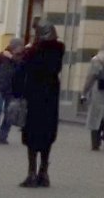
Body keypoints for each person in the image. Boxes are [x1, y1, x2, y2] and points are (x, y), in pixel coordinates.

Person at [14, 22, 64, 188]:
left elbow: (20, 73)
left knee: (32, 138)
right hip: (51, 101)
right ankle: (44, 173)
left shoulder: (32, 52)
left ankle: (31, 173)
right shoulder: (58, 51)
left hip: (34, 100)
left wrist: (18, 93)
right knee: (47, 138)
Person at [0, 38, 23, 144]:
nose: (20, 48)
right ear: (13, 46)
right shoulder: (1, 56)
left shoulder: (21, 58)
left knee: (9, 113)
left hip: (13, 90)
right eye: (19, 46)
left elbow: (23, 67)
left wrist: (12, 57)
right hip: (0, 87)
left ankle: (3, 136)